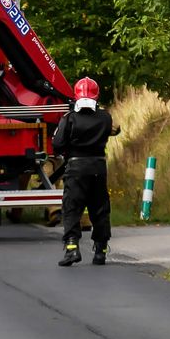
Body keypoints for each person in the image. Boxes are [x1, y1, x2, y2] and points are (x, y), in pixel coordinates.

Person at [52, 77, 117, 266]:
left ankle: (72, 248)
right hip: (98, 167)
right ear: (97, 95)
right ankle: (101, 251)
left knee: (72, 208)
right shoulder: (106, 117)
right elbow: (112, 130)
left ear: (76, 95)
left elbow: (57, 143)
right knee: (100, 209)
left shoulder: (69, 118)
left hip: (76, 168)